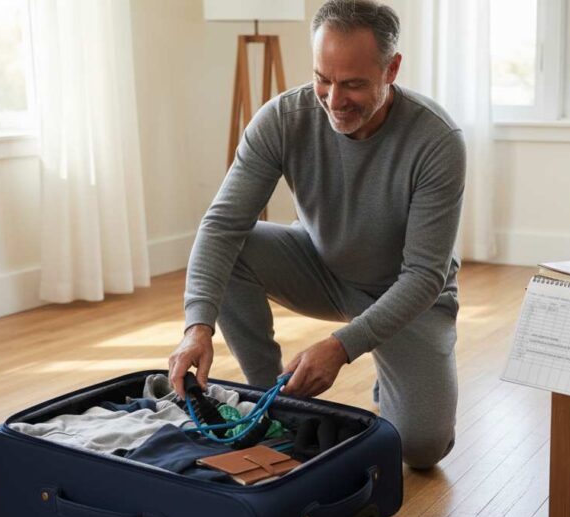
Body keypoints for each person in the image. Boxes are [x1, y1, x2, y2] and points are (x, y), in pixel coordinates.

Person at [167, 0, 465, 469]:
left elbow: (425, 276)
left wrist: (342, 347)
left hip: (409, 295)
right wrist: (196, 326)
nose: (333, 99)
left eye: (353, 84)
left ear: (392, 69)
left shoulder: (437, 140)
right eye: (322, 78)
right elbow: (222, 225)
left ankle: (389, 370)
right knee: (236, 245)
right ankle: (279, 405)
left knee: (422, 449)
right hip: (322, 266)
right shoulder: (283, 118)